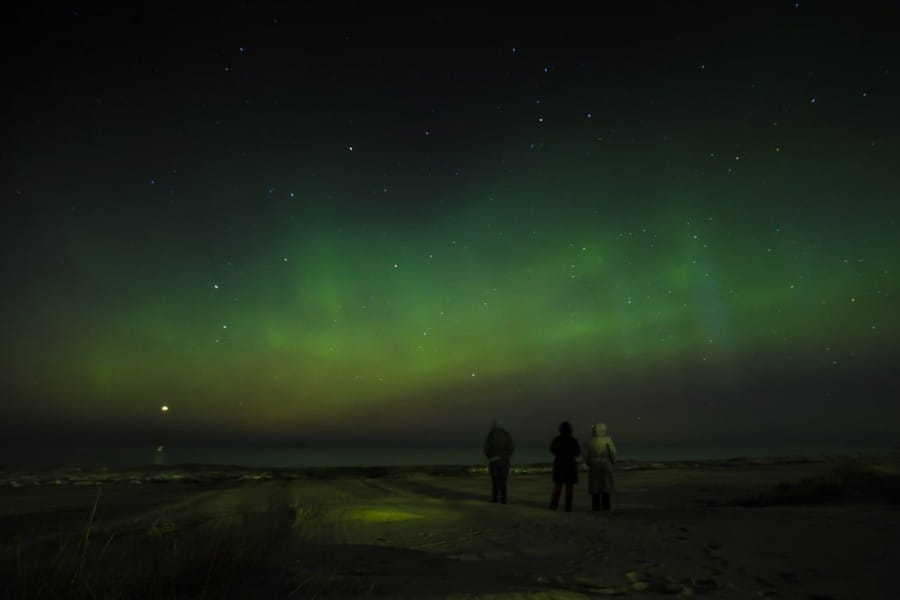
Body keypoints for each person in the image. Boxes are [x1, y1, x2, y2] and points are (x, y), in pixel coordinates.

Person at [584, 422, 616, 510]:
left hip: (594, 465)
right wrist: (613, 461)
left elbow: (585, 455)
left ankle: (596, 507)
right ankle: (606, 507)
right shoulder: (608, 440)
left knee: (595, 487)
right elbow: (612, 452)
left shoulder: (589, 441)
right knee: (605, 486)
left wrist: (588, 462)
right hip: (605, 464)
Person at [549, 421, 581, 512]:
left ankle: (553, 507)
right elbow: (577, 453)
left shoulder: (557, 440)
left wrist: (560, 454)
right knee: (569, 490)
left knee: (557, 488)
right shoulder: (573, 441)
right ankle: (568, 508)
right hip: (570, 466)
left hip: (559, 466)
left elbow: (552, 450)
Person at [483, 419, 514, 504]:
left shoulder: (491, 435)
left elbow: (486, 448)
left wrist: (490, 456)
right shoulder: (506, 434)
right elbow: (511, 447)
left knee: (495, 482)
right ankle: (503, 500)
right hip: (504, 461)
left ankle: (495, 500)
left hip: (493, 461)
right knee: (503, 482)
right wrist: (507, 456)